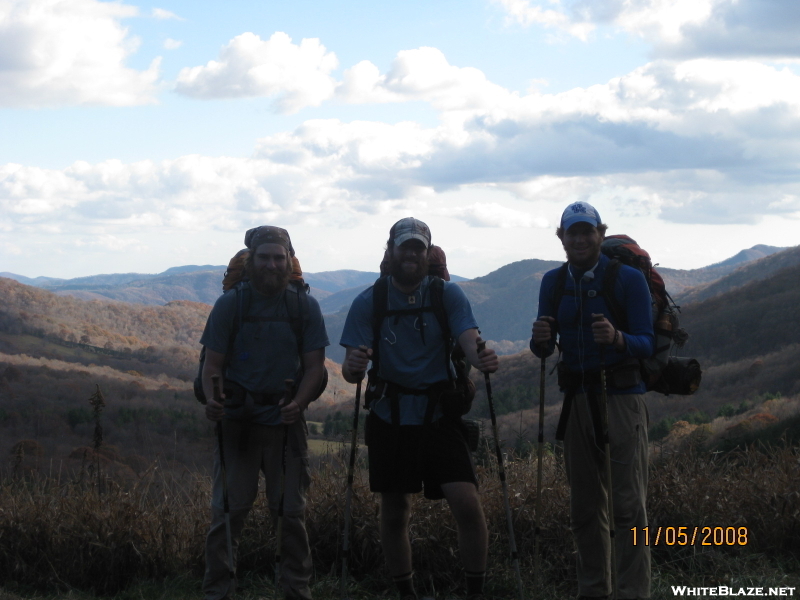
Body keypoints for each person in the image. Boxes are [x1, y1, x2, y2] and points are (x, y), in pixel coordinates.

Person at [340, 217, 498, 600]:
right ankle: (405, 593)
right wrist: (353, 368)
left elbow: (466, 337)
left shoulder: (447, 295)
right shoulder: (370, 300)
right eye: (404, 247)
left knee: (467, 504)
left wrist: (480, 358)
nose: (411, 254)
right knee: (395, 512)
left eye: (418, 248)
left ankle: (473, 591)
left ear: (427, 254)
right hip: (390, 416)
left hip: (439, 415)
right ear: (390, 251)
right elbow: (349, 371)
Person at [531, 202, 655, 600]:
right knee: (584, 508)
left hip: (621, 398)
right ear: (561, 237)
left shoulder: (628, 280)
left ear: (600, 234)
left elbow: (647, 342)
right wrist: (540, 340)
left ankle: (632, 592)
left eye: (587, 231)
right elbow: (544, 349)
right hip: (578, 399)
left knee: (627, 506)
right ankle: (593, 591)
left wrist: (618, 339)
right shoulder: (552, 283)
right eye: (573, 232)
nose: (580, 239)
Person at [200, 226, 329, 600]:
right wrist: (213, 400)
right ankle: (219, 593)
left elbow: (315, 367)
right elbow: (212, 366)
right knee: (227, 515)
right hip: (237, 421)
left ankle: (294, 593)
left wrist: (298, 404)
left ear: (289, 260)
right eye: (264, 257)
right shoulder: (231, 305)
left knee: (290, 516)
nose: (272, 264)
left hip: (285, 424)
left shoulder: (304, 306)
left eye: (278, 257)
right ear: (251, 260)